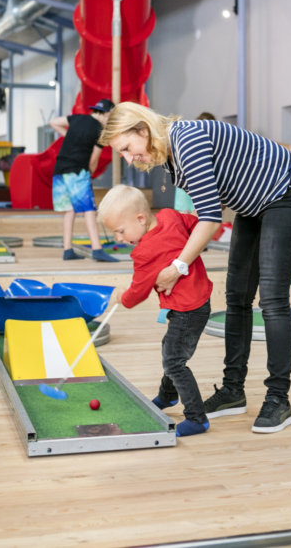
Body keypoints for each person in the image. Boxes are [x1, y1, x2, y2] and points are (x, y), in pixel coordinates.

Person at [101, 103, 291, 434]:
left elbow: (211, 220)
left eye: (127, 149)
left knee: (271, 299)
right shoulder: (171, 160)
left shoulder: (185, 141)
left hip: (285, 193)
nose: (129, 159)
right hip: (253, 205)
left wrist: (178, 266)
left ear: (142, 130)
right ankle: (233, 391)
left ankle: (278, 399)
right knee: (238, 295)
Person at [97, 185, 213, 437]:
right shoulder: (170, 215)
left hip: (187, 309)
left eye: (120, 231)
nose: (119, 238)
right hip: (199, 301)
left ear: (140, 219)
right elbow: (197, 226)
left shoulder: (144, 252)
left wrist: (120, 296)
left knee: (174, 360)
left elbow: (136, 294)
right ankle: (167, 396)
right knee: (171, 351)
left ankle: (196, 418)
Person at [48, 100, 119, 262]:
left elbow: (53, 122)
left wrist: (71, 135)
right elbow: (93, 160)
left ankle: (67, 250)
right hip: (77, 171)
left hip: (59, 170)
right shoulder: (100, 131)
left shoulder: (77, 118)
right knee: (89, 210)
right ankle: (97, 250)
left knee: (69, 210)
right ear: (107, 113)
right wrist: (90, 174)